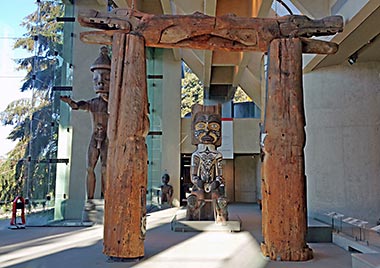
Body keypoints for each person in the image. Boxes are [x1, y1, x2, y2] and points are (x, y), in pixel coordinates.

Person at [60, 46, 111, 202]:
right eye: (96, 79)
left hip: (107, 140)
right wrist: (70, 102)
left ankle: (105, 198)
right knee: (90, 168)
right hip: (94, 138)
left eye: (106, 79)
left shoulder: (113, 104)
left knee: (104, 169)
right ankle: (90, 199)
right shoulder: (94, 103)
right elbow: (79, 105)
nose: (100, 83)